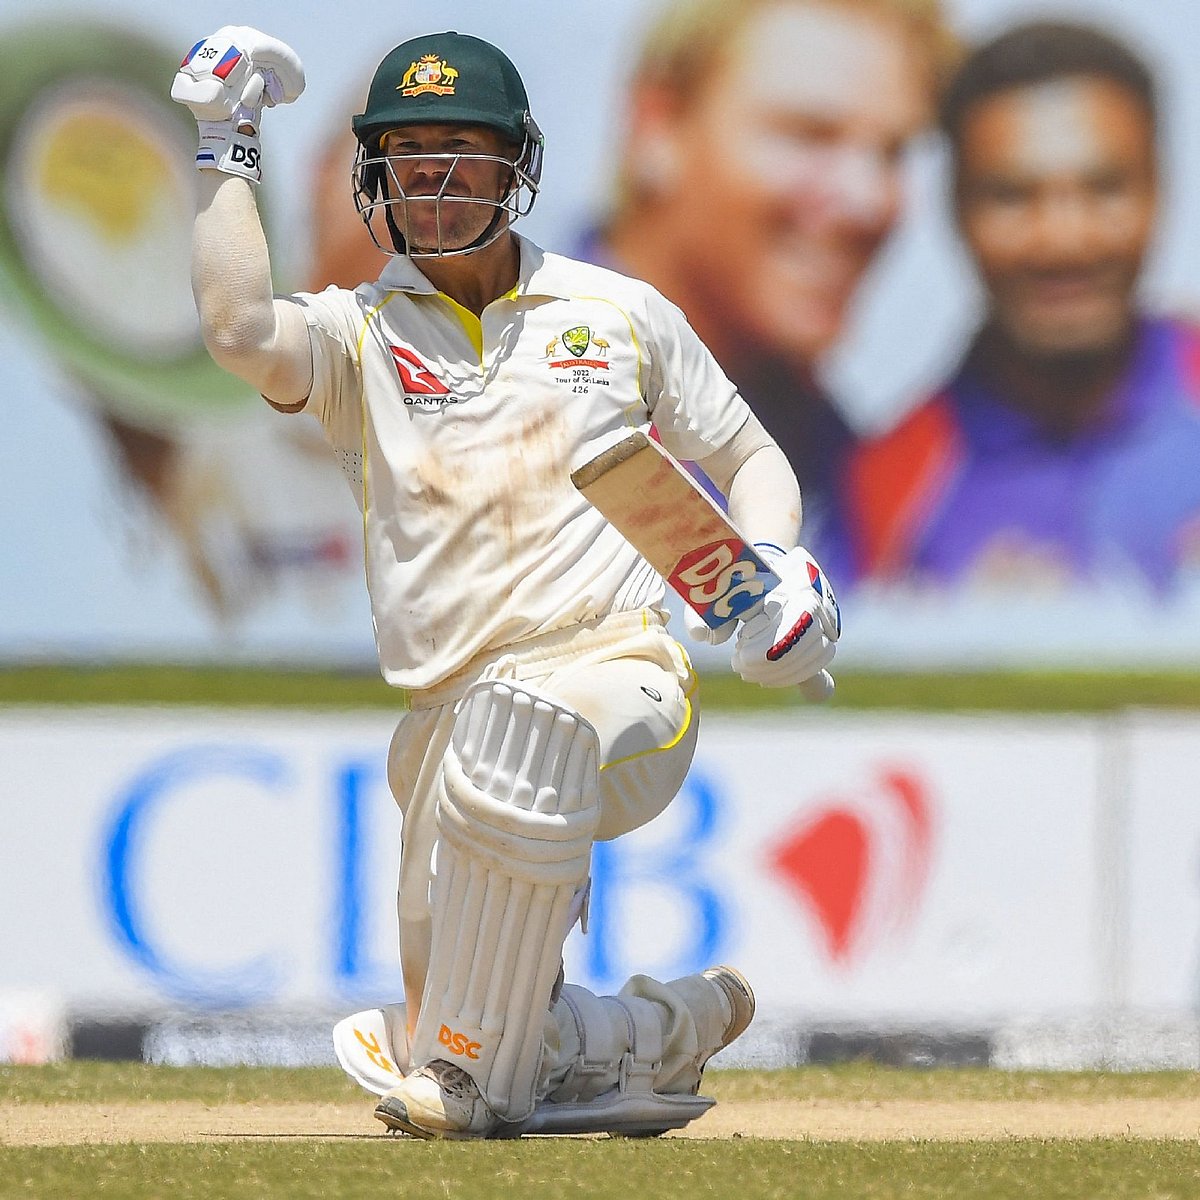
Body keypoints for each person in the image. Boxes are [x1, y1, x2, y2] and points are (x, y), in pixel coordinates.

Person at [171, 26, 841, 1139]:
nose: (433, 179)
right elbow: (240, 329)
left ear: (515, 167)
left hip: (619, 681)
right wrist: (221, 135)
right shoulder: (357, 337)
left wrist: (778, 569)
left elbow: (750, 458)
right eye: (408, 154)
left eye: (461, 152)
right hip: (448, 718)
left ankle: (489, 1077)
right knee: (460, 1031)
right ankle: (648, 1030)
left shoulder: (618, 313)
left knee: (525, 732)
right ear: (374, 176)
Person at [583, 0, 955, 583]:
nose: (868, 200)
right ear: (658, 126)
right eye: (809, 136)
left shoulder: (846, 462)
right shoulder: (481, 385)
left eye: (893, 152)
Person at [848, 20, 1200, 591]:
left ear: (1160, 191)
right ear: (955, 210)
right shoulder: (885, 488)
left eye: (1105, 188)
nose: (1063, 240)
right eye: (1012, 196)